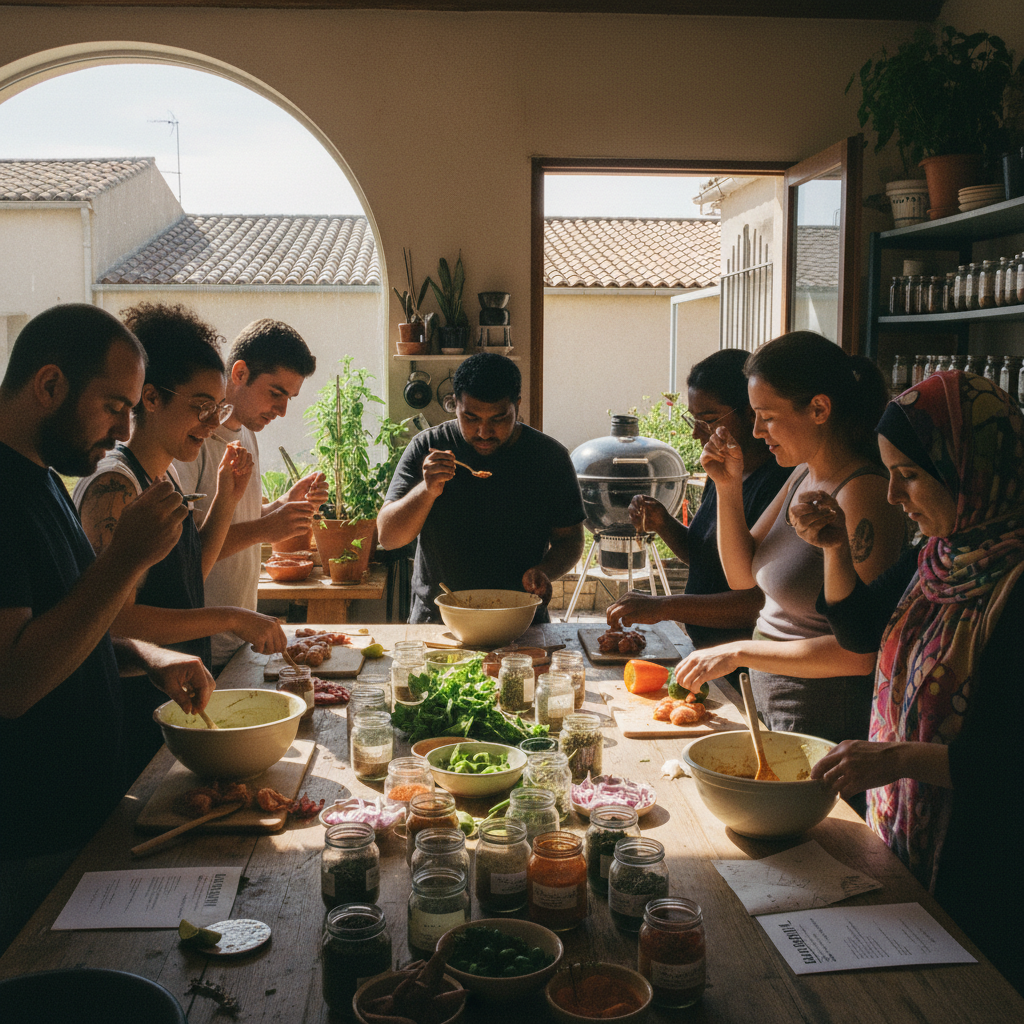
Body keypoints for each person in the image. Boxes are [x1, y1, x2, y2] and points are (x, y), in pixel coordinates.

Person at [792, 370, 1023, 994]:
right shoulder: (938, 557)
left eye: (911, 474)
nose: (893, 495)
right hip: (908, 841)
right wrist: (837, 548)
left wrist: (896, 757)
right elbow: (862, 631)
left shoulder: (1015, 586)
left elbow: (1009, 763)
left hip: (988, 868)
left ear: (973, 471)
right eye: (889, 472)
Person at [0, 303, 215, 951]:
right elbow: (12, 680)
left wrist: (147, 657)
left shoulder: (40, 478)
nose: (126, 426)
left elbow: (67, 624)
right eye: (114, 404)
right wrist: (126, 557)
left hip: (83, 819)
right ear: (48, 385)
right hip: (29, 844)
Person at [74, 303, 286, 777]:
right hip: (133, 720)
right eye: (200, 407)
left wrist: (227, 500)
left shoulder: (163, 477)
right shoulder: (116, 485)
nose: (213, 423)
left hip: (177, 708)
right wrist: (232, 617)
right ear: (150, 398)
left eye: (218, 408)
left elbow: (193, 576)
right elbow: (113, 619)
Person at [700, 331, 906, 743]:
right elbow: (742, 576)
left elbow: (859, 654)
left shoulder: (863, 492)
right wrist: (727, 486)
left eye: (768, 415)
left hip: (823, 714)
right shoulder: (802, 473)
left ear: (818, 408)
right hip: (775, 702)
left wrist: (738, 651)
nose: (756, 431)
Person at [604, 349, 791, 659]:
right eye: (693, 419)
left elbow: (755, 601)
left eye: (708, 420)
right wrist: (663, 523)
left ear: (751, 413)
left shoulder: (779, 485)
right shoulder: (723, 472)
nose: (695, 433)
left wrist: (663, 606)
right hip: (705, 651)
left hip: (744, 659)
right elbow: (705, 558)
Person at [378, 352, 585, 623]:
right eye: (471, 418)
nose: (484, 431)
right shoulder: (427, 448)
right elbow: (388, 537)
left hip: (521, 621)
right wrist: (426, 491)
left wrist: (545, 571)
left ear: (517, 406)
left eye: (498, 419)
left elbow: (570, 540)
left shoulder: (548, 457)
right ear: (454, 405)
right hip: (438, 623)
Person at [174, 318, 327, 671]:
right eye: (276, 393)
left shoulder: (246, 433)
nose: (283, 410)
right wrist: (266, 529)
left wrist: (283, 505)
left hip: (238, 640)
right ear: (239, 373)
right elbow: (186, 556)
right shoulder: (191, 444)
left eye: (289, 397)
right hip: (197, 650)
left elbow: (237, 518)